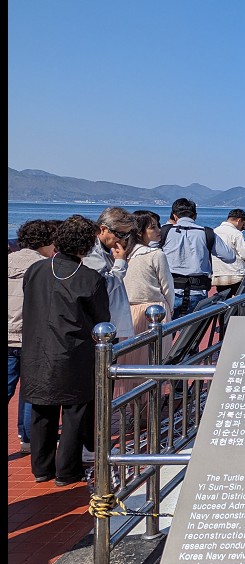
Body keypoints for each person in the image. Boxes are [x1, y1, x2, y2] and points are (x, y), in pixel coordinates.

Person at [21, 215, 110, 486]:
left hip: (36, 348)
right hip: (73, 351)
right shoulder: (90, 279)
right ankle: (67, 470)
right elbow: (102, 319)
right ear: (87, 245)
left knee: (41, 409)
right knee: (73, 412)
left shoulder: (35, 271)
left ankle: (41, 468)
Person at [8, 219, 58, 453]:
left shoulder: (8, 261)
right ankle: (30, 441)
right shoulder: (45, 267)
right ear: (47, 242)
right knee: (31, 391)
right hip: (31, 338)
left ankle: (24, 435)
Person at [119, 211, 174, 382]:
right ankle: (150, 405)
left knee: (130, 365)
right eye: (153, 227)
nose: (159, 230)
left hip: (129, 313)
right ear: (139, 231)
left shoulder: (123, 254)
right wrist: (169, 310)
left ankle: (131, 405)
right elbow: (167, 287)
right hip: (155, 312)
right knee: (154, 364)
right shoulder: (156, 255)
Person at [161, 198, 237, 319]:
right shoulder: (206, 233)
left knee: (165, 334)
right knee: (192, 334)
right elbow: (230, 257)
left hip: (169, 291)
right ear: (195, 216)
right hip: (197, 291)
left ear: (175, 216)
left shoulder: (164, 231)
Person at [82, 206, 135, 342]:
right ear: (104, 229)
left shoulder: (105, 250)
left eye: (128, 235)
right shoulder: (91, 252)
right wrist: (120, 264)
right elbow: (103, 288)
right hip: (100, 329)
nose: (124, 240)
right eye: (121, 234)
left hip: (108, 326)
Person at [212, 209, 245, 297]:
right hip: (235, 275)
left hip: (218, 275)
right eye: (243, 224)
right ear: (239, 220)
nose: (242, 227)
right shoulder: (236, 233)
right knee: (238, 302)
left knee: (223, 301)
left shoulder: (214, 231)